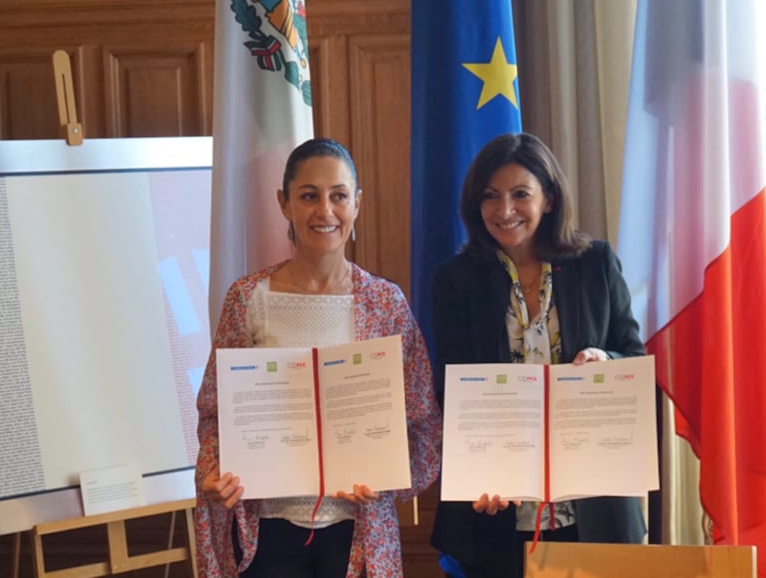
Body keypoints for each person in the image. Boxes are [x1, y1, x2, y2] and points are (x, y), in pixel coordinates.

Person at [194, 138, 441, 578]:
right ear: (284, 203)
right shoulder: (248, 298)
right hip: (264, 528)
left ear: (357, 204)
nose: (324, 211)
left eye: (338, 196)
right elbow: (215, 413)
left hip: (355, 531)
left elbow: (422, 421)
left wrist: (389, 479)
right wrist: (215, 473)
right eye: (309, 196)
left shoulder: (385, 304)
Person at [430, 132, 646, 578]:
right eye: (491, 196)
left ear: (548, 199)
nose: (504, 210)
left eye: (520, 194)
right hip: (494, 506)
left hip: (592, 505)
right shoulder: (455, 281)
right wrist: (478, 472)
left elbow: (634, 358)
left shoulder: (595, 264)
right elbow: (450, 392)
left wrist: (605, 361)